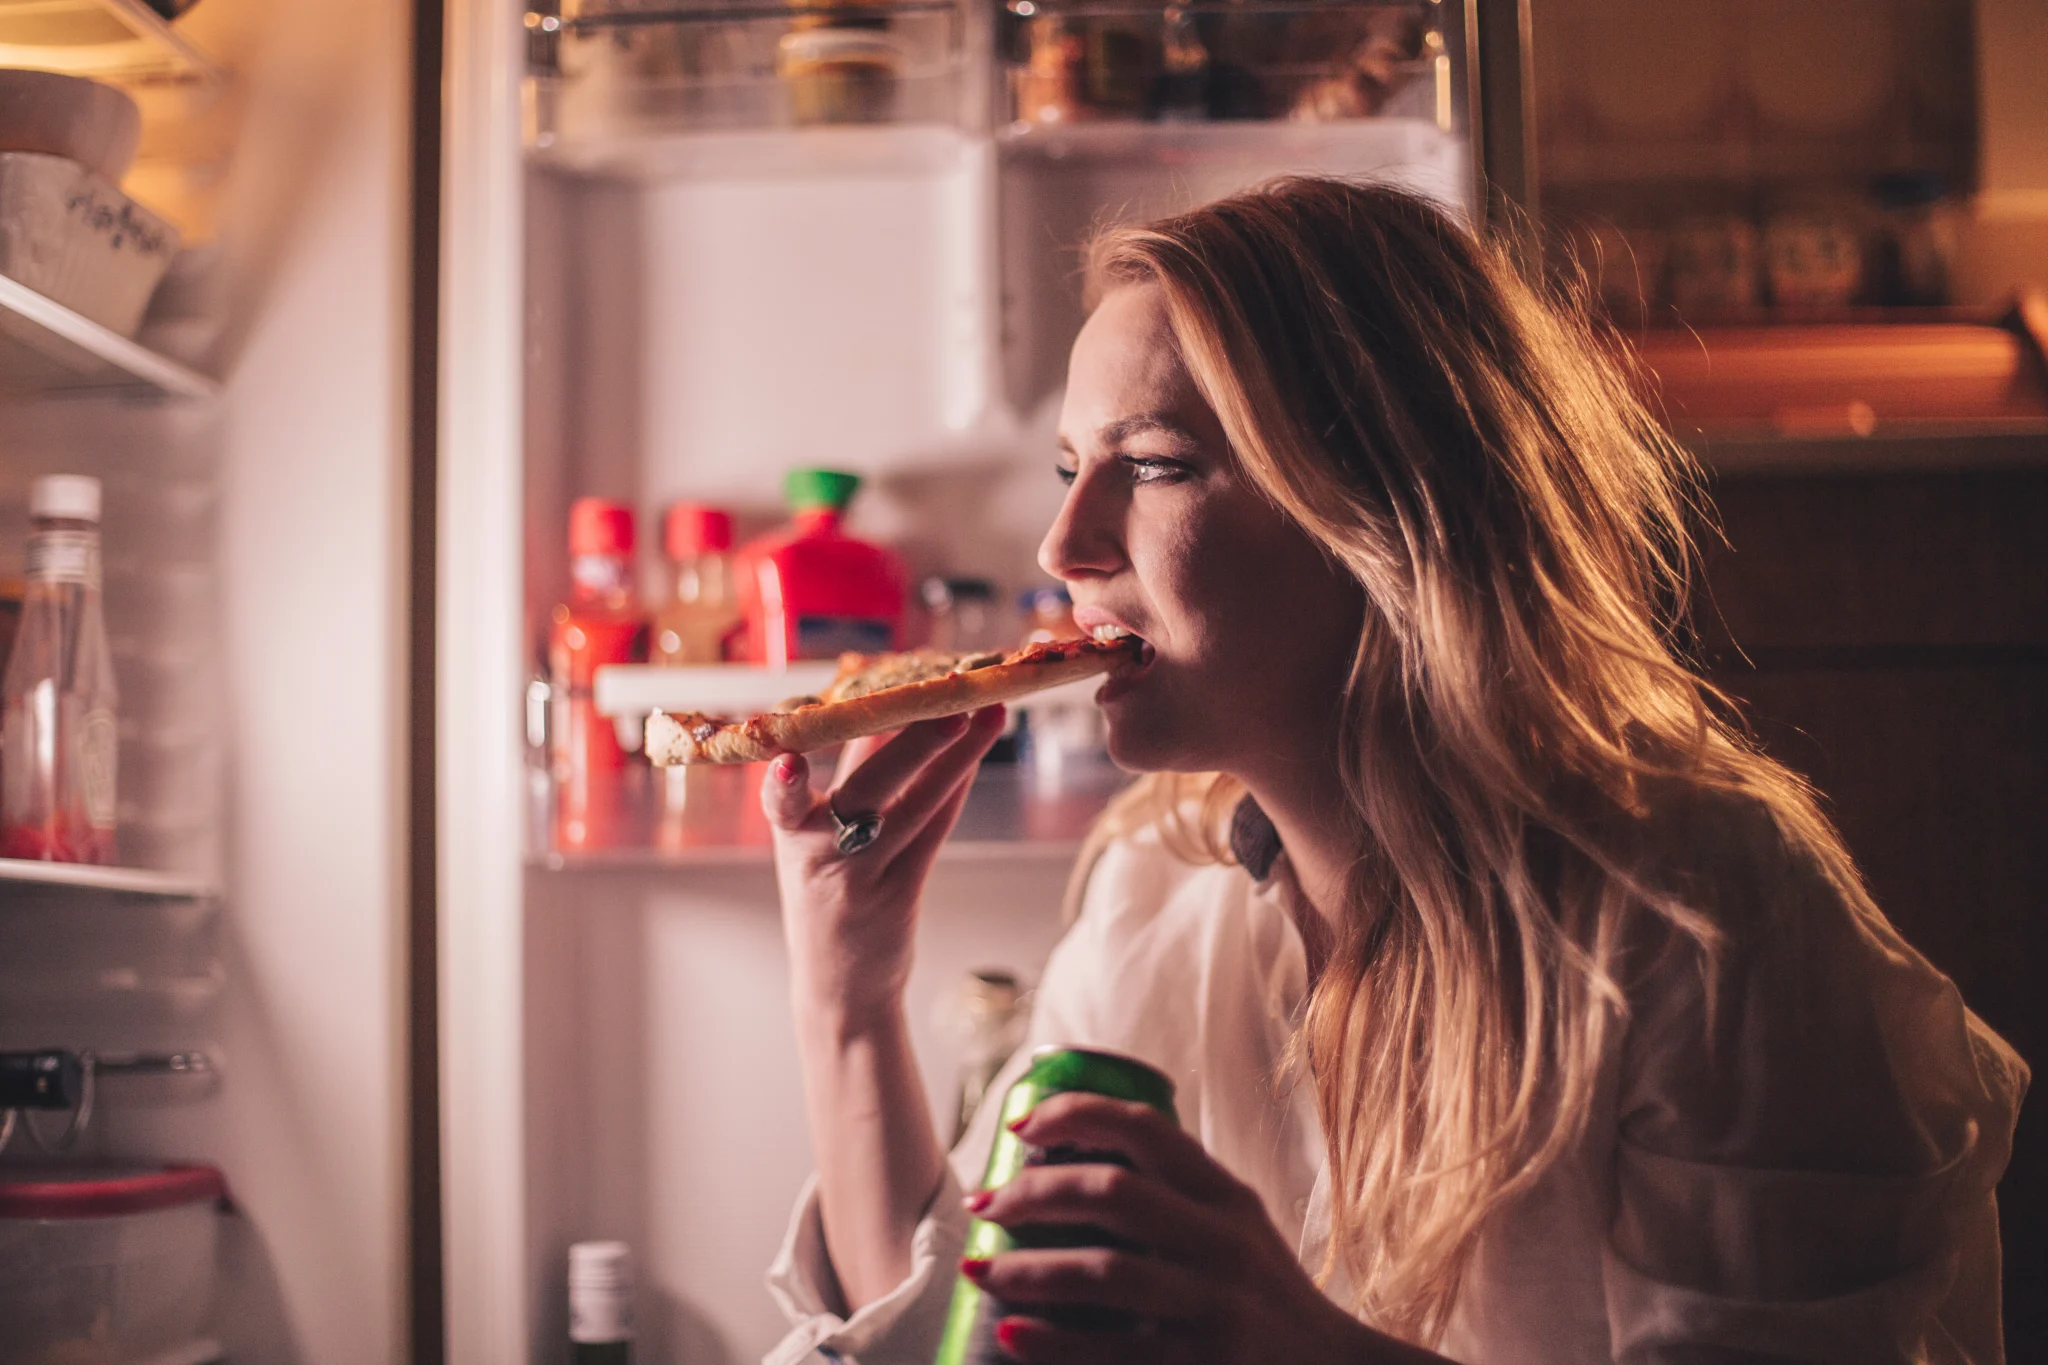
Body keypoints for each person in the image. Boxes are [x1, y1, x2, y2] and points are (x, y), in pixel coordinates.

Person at [756, 178, 2027, 1364]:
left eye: (1150, 466)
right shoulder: (1156, 896)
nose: (1063, 542)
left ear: (1384, 513)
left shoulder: (1698, 912)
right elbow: (962, 1337)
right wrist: (847, 996)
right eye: (1066, 468)